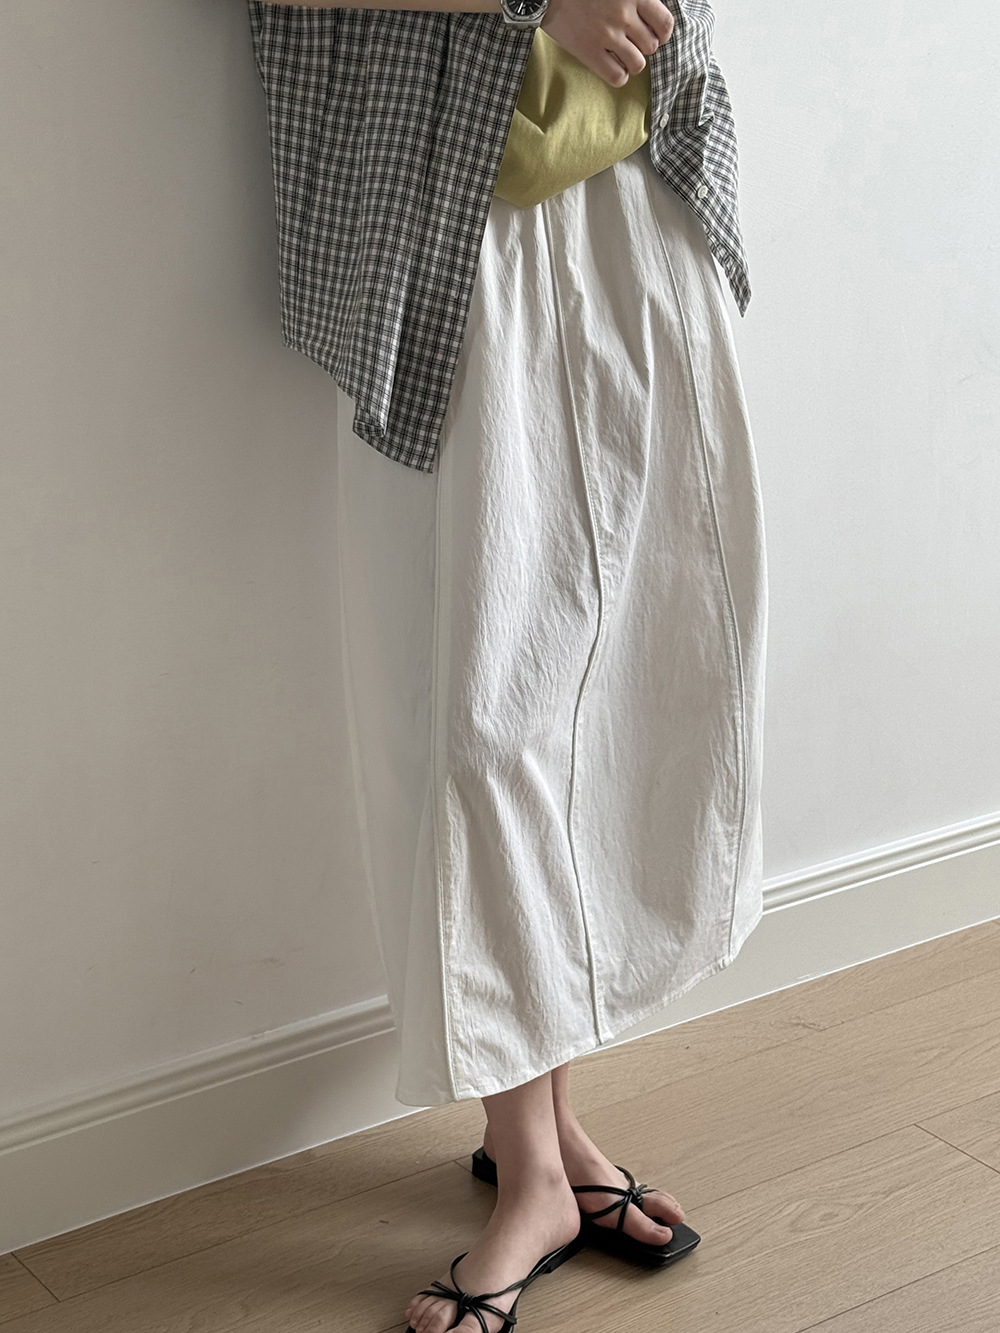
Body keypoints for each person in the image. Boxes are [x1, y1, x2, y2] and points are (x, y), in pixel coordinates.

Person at [250, 0, 768, 1329]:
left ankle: (547, 1136)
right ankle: (533, 1169)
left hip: (643, 192)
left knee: (623, 691)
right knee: (478, 723)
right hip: (457, 232)